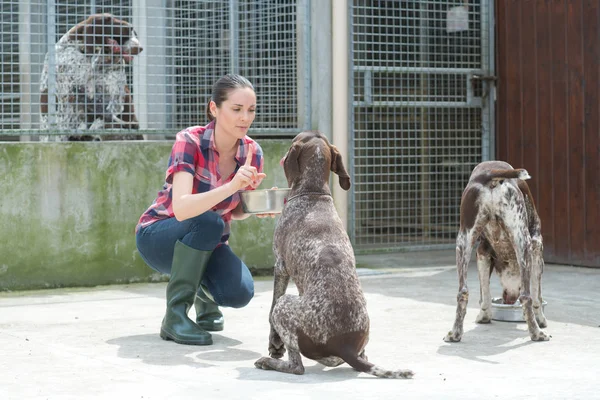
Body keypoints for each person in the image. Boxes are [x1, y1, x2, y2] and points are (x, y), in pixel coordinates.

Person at [135, 74, 273, 345]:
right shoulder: (190, 141)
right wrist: (233, 185)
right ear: (214, 108)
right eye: (236, 109)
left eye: (251, 110)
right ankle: (174, 317)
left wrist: (255, 205)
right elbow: (183, 208)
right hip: (159, 235)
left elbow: (233, 212)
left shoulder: (252, 152)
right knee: (209, 222)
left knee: (239, 292)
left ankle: (203, 298)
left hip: (208, 240)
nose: (245, 117)